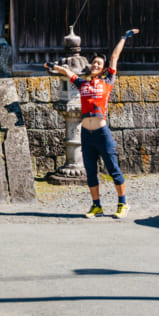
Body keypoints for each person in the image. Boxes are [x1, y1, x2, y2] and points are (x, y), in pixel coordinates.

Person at [45, 29, 139, 219]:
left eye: (99, 64)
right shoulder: (83, 84)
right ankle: (96, 206)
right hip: (86, 134)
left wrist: (124, 37)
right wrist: (52, 66)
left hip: (102, 133)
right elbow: (67, 72)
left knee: (113, 169)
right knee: (90, 172)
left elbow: (114, 57)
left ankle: (123, 203)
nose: (95, 65)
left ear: (103, 69)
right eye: (94, 62)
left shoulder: (108, 81)